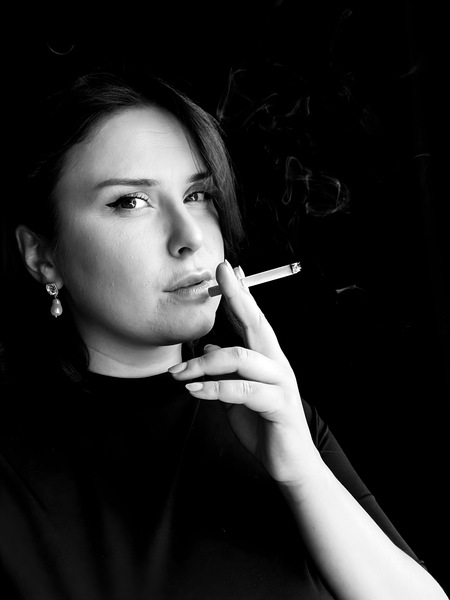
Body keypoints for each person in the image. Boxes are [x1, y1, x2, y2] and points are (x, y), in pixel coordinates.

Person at [0, 65, 447, 600]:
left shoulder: (270, 412)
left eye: (198, 196)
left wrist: (303, 474)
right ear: (42, 257)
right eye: (130, 202)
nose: (191, 237)